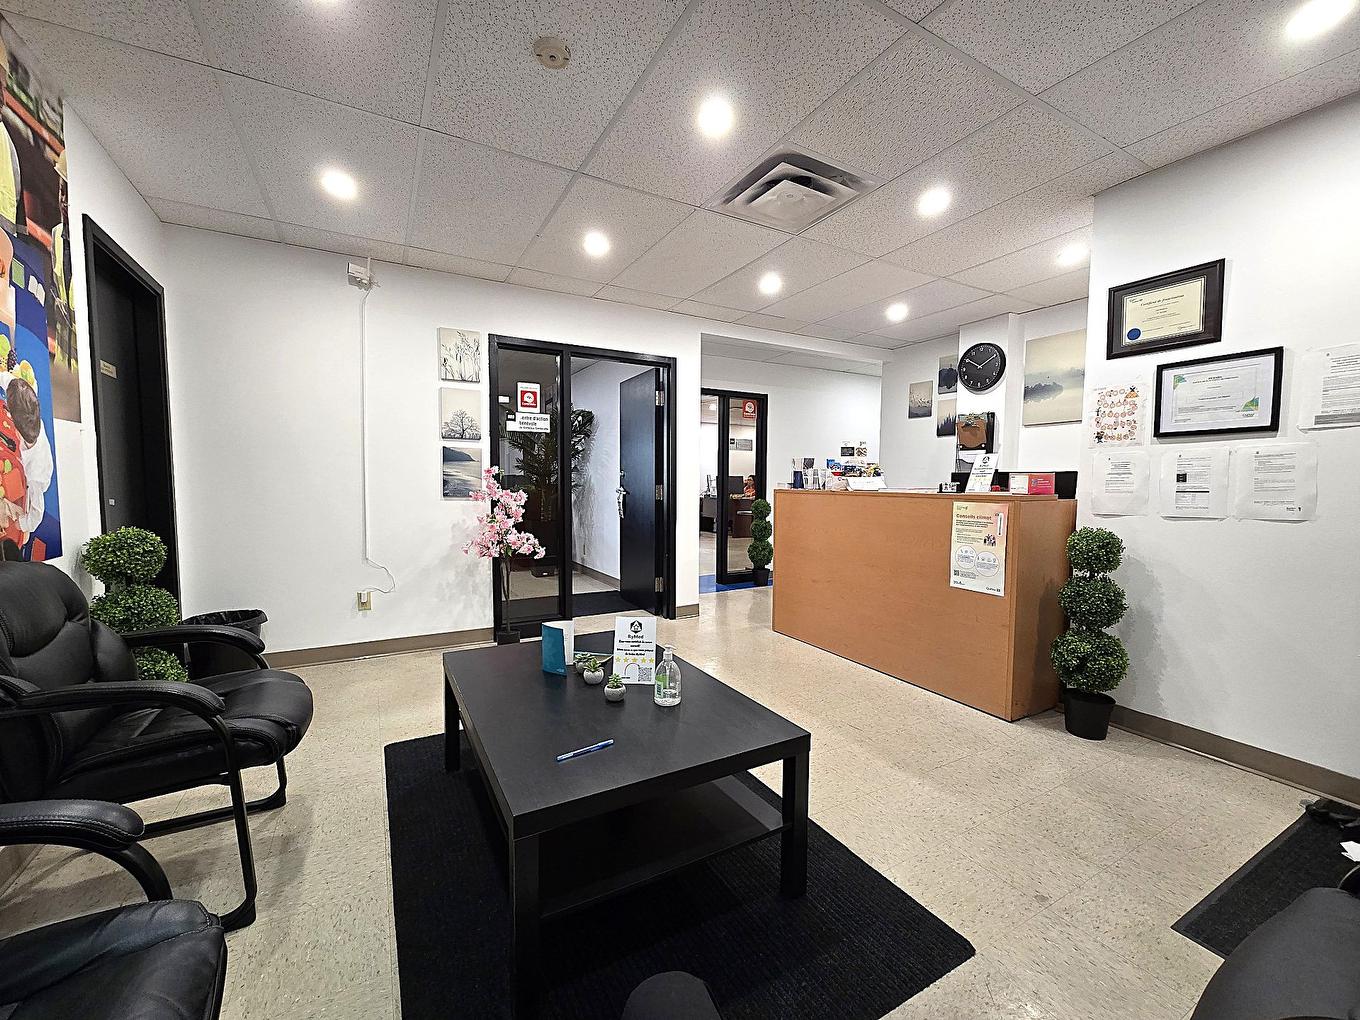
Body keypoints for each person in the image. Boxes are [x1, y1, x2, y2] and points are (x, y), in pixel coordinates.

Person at [3, 373, 49, 550]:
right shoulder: (27, 410)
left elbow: (36, 514)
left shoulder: (35, 474)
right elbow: (10, 382)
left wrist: (20, 525)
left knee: (24, 508)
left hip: (33, 481)